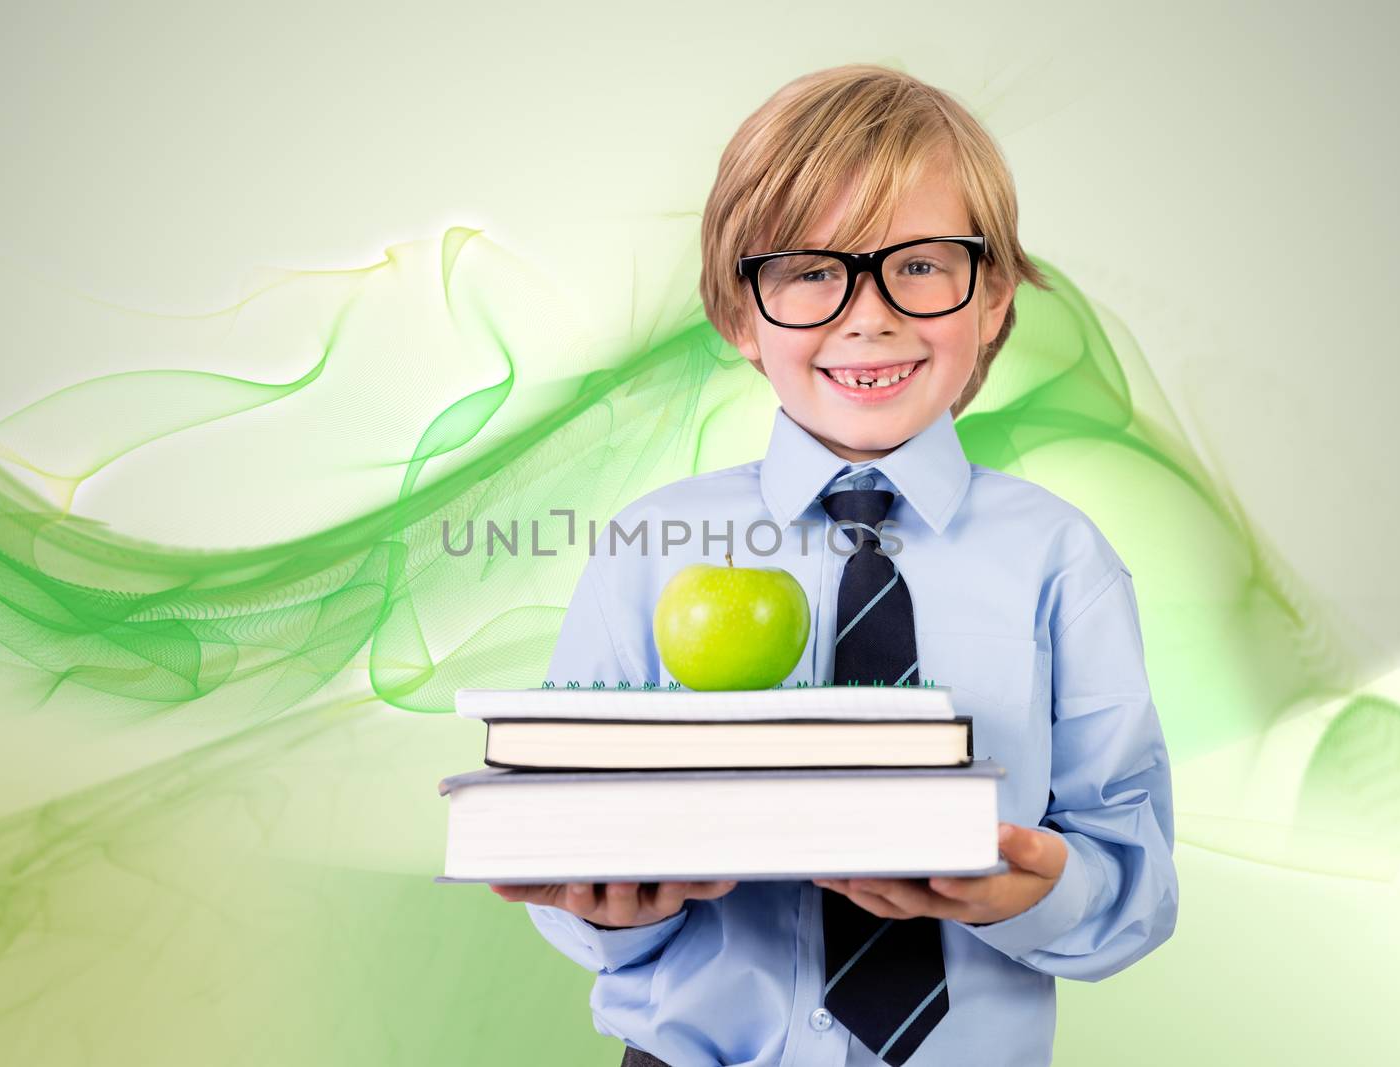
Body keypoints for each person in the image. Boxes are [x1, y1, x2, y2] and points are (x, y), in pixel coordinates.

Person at [489, 63, 1178, 1067]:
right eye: (810, 270)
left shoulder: (1058, 558)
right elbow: (577, 845)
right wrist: (614, 909)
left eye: (922, 263)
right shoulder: (649, 547)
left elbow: (1134, 871)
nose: (868, 314)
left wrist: (1039, 889)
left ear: (990, 295)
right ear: (739, 313)